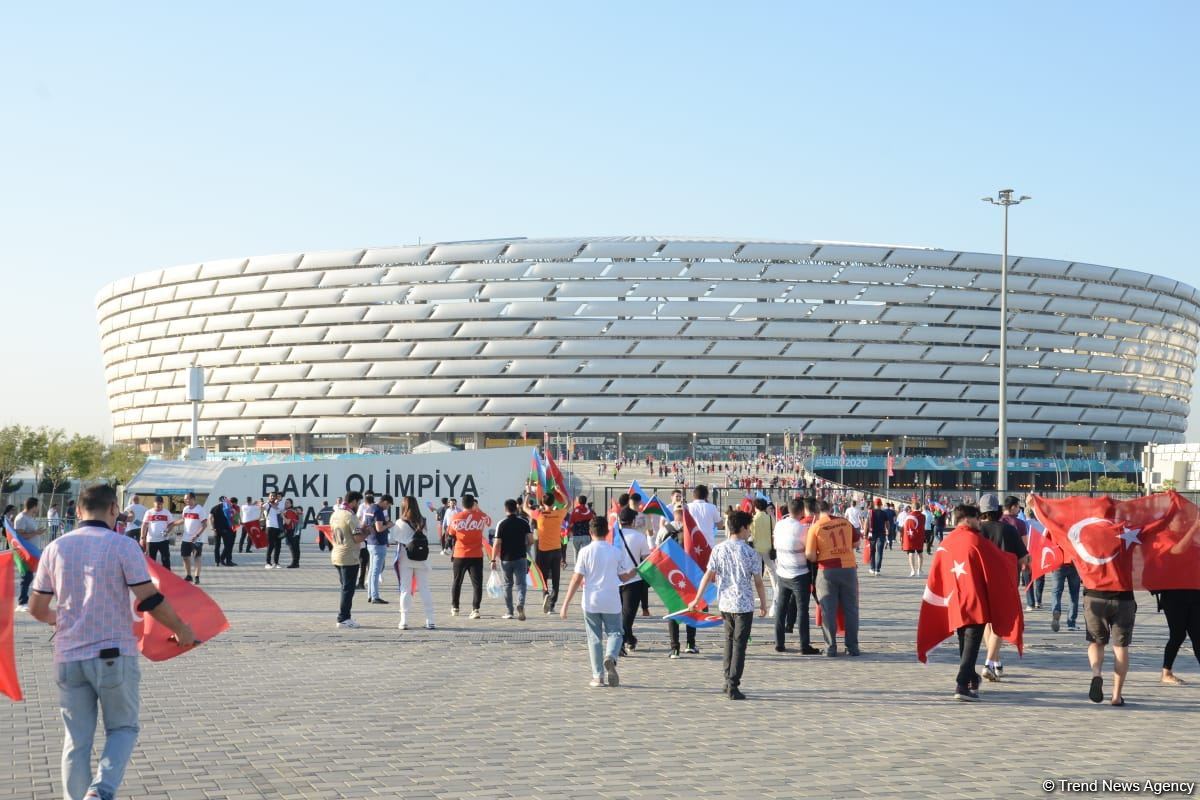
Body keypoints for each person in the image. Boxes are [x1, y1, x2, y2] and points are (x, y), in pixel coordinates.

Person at [27, 483, 195, 800]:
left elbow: (36, 608)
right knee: (122, 728)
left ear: (77, 511)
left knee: (76, 739)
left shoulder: (55, 548)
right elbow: (149, 599)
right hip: (112, 655)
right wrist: (181, 627)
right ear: (114, 510)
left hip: (68, 657)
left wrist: (59, 619)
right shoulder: (122, 546)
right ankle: (100, 791)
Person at [687, 510, 768, 700]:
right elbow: (757, 581)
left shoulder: (718, 549)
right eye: (749, 528)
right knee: (740, 645)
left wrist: (697, 598)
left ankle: (727, 679)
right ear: (742, 528)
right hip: (744, 604)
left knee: (729, 641)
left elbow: (708, 576)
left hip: (725, 602)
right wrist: (763, 603)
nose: (750, 532)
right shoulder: (750, 552)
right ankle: (733, 684)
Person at [559, 516, 638, 688]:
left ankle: (598, 676)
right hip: (611, 600)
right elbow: (624, 577)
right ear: (607, 532)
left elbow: (576, 578)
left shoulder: (585, 552)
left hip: (591, 601)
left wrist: (565, 605)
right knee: (616, 633)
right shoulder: (615, 552)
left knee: (594, 638)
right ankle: (611, 656)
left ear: (590, 532)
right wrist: (635, 572)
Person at [978, 493, 1029, 682]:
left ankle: (995, 661)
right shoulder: (1009, 530)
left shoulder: (976, 531)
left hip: (981, 581)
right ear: (998, 510)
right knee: (1000, 622)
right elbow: (1023, 559)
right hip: (1005, 581)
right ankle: (989, 662)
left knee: (987, 622)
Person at [805, 499, 861, 657]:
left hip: (827, 570)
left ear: (816, 512)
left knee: (828, 609)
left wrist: (820, 556)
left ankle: (830, 647)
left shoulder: (816, 527)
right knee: (851, 609)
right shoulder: (845, 522)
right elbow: (857, 543)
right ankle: (852, 647)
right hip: (849, 568)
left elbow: (809, 555)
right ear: (831, 508)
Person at [772, 498, 820, 654]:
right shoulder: (802, 529)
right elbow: (810, 551)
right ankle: (804, 645)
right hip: (799, 574)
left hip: (782, 572)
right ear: (801, 512)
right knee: (802, 611)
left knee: (781, 608)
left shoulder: (779, 525)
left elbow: (775, 544)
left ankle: (779, 642)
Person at [393, 496, 435, 630]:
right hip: (422, 558)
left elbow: (394, 538)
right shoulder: (423, 521)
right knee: (424, 588)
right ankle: (430, 620)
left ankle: (403, 620)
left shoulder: (400, 522)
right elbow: (426, 535)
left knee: (405, 589)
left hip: (406, 558)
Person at [446, 494, 490, 618]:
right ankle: (475, 609)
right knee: (477, 584)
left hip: (460, 554)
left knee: (457, 581)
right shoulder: (481, 517)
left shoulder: (456, 517)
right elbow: (489, 521)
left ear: (462, 504)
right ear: (473, 504)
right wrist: (479, 509)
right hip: (476, 554)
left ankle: (455, 608)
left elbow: (450, 534)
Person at [615, 507, 651, 654]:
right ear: (634, 521)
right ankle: (622, 643)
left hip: (614, 579)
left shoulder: (612, 536)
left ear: (619, 520)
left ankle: (628, 639)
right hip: (633, 580)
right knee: (628, 616)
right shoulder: (639, 537)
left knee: (618, 615)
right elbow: (647, 559)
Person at [330, 490, 368, 628]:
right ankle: (343, 618)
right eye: (358, 503)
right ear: (353, 502)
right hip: (349, 556)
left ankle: (344, 615)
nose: (358, 505)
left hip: (336, 554)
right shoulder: (350, 516)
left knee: (345, 587)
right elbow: (357, 538)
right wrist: (367, 532)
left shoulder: (336, 514)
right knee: (348, 589)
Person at [491, 499, 533, 620]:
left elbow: (497, 543)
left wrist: (493, 560)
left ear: (505, 509)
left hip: (506, 559)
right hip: (521, 557)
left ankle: (509, 611)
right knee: (521, 584)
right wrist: (524, 546)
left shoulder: (501, 524)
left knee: (508, 585)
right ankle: (520, 603)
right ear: (516, 508)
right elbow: (531, 540)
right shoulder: (524, 522)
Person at [532, 494, 567, 614]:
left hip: (543, 551)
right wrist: (558, 491)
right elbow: (569, 504)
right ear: (553, 503)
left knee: (544, 577)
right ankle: (552, 604)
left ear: (542, 502)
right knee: (556, 579)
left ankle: (546, 595)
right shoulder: (558, 514)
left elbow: (526, 507)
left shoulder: (539, 515)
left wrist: (527, 495)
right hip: (556, 550)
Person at [14, 497, 47, 610]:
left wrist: (38, 532)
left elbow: (31, 533)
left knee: (28, 576)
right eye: (37, 506)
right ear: (33, 506)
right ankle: (21, 603)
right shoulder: (21, 518)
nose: (38, 508)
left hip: (31, 551)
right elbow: (20, 536)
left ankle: (24, 601)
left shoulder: (29, 517)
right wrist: (36, 532)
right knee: (26, 576)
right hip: (24, 551)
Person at [366, 495, 394, 602]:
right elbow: (379, 528)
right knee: (376, 572)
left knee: (372, 570)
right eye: (388, 505)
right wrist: (389, 525)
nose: (387, 508)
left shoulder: (370, 508)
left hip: (370, 542)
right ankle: (375, 596)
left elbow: (366, 524)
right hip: (378, 543)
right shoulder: (378, 510)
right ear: (385, 502)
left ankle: (370, 595)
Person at [139, 496, 178, 569]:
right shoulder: (149, 512)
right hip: (151, 540)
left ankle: (167, 576)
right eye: (157, 504)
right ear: (154, 503)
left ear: (162, 503)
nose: (158, 506)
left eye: (160, 504)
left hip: (163, 540)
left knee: (166, 560)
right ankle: (152, 578)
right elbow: (144, 525)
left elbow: (171, 524)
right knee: (151, 560)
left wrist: (167, 531)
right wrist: (142, 537)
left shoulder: (166, 512)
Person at [178, 492, 208, 585]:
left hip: (197, 539)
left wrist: (197, 535)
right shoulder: (186, 509)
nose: (185, 500)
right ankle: (188, 575)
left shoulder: (200, 510)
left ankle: (197, 577)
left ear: (193, 499)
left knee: (196, 557)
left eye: (187, 498)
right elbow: (183, 520)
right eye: (185, 499)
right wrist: (172, 523)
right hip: (186, 538)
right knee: (185, 557)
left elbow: (204, 524)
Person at [355, 493, 375, 589]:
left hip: (365, 538)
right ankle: (364, 582)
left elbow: (359, 521)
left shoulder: (364, 507)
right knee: (367, 561)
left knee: (363, 561)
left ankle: (362, 582)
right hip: (373, 539)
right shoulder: (377, 508)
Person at [210, 496, 237, 567]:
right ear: (224, 500)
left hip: (216, 530)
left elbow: (210, 518)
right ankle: (225, 560)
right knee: (227, 545)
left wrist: (213, 528)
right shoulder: (227, 507)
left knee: (217, 546)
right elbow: (233, 516)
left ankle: (217, 562)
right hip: (226, 529)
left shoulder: (214, 508)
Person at [900, 503, 926, 577]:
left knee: (911, 554)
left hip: (910, 536)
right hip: (919, 537)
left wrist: (902, 538)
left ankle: (912, 570)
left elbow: (904, 527)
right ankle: (919, 570)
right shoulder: (923, 516)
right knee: (920, 554)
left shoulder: (908, 516)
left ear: (912, 507)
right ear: (919, 507)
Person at [567, 495, 595, 560]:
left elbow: (571, 524)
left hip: (576, 535)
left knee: (576, 553)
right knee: (586, 554)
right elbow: (592, 523)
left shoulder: (575, 511)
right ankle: (585, 568)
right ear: (585, 502)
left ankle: (577, 568)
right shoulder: (589, 511)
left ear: (578, 502)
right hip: (586, 535)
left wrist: (569, 531)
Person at [263, 492, 284, 570]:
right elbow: (260, 509)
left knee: (278, 546)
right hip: (270, 527)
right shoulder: (266, 505)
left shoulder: (278, 505)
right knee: (270, 546)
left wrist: (276, 505)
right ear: (268, 497)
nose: (272, 497)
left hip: (278, 528)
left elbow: (281, 513)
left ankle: (276, 562)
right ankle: (268, 563)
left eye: (274, 496)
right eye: (271, 496)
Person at [867, 498, 888, 575]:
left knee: (872, 551)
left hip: (872, 534)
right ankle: (877, 570)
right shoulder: (884, 513)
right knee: (880, 552)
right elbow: (887, 523)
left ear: (874, 504)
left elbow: (867, 523)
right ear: (881, 504)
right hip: (881, 534)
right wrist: (888, 530)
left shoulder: (870, 512)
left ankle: (872, 568)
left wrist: (865, 534)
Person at [283, 499, 302, 568]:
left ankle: (294, 563)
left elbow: (288, 522)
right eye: (285, 503)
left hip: (291, 531)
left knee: (293, 547)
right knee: (296, 547)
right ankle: (296, 563)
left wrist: (282, 515)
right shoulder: (294, 511)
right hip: (297, 531)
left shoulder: (289, 511)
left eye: (288, 503)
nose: (286, 504)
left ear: (291, 504)